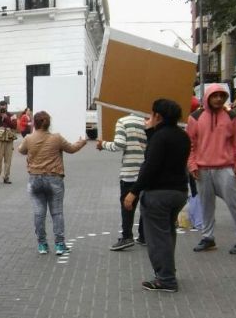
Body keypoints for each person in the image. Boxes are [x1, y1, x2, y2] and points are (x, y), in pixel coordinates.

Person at [123, 99, 191, 292]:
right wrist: (151, 132)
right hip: (179, 192)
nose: (148, 118)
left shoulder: (160, 138)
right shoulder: (182, 136)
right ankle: (168, 271)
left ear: (158, 116)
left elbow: (150, 166)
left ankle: (166, 279)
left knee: (157, 238)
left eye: (151, 114)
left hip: (158, 193)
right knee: (167, 234)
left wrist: (133, 192)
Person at [187, 84, 236, 254]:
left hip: (225, 167)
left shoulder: (232, 117)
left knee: (234, 204)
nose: (218, 99)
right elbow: (190, 144)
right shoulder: (195, 117)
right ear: (208, 97)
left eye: (221, 95)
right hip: (202, 168)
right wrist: (192, 164)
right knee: (206, 206)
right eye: (214, 95)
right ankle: (207, 237)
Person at [18, 110, 87, 255]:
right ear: (49, 124)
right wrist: (82, 142)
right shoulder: (57, 138)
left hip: (35, 179)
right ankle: (60, 245)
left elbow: (21, 150)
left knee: (39, 213)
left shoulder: (29, 138)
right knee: (57, 213)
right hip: (54, 178)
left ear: (34, 124)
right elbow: (72, 149)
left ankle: (42, 244)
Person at [96, 114, 148, 250]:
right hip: (146, 171)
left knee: (127, 206)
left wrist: (103, 144)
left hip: (130, 172)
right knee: (145, 205)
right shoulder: (148, 121)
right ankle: (144, 236)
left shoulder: (123, 121)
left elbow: (119, 144)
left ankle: (127, 237)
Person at [0, 100, 17, 184]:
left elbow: (14, 126)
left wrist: (6, 117)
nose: (3, 109)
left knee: (8, 160)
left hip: (9, 139)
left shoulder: (12, 115)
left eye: (4, 107)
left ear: (6, 107)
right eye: (1, 107)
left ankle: (6, 177)